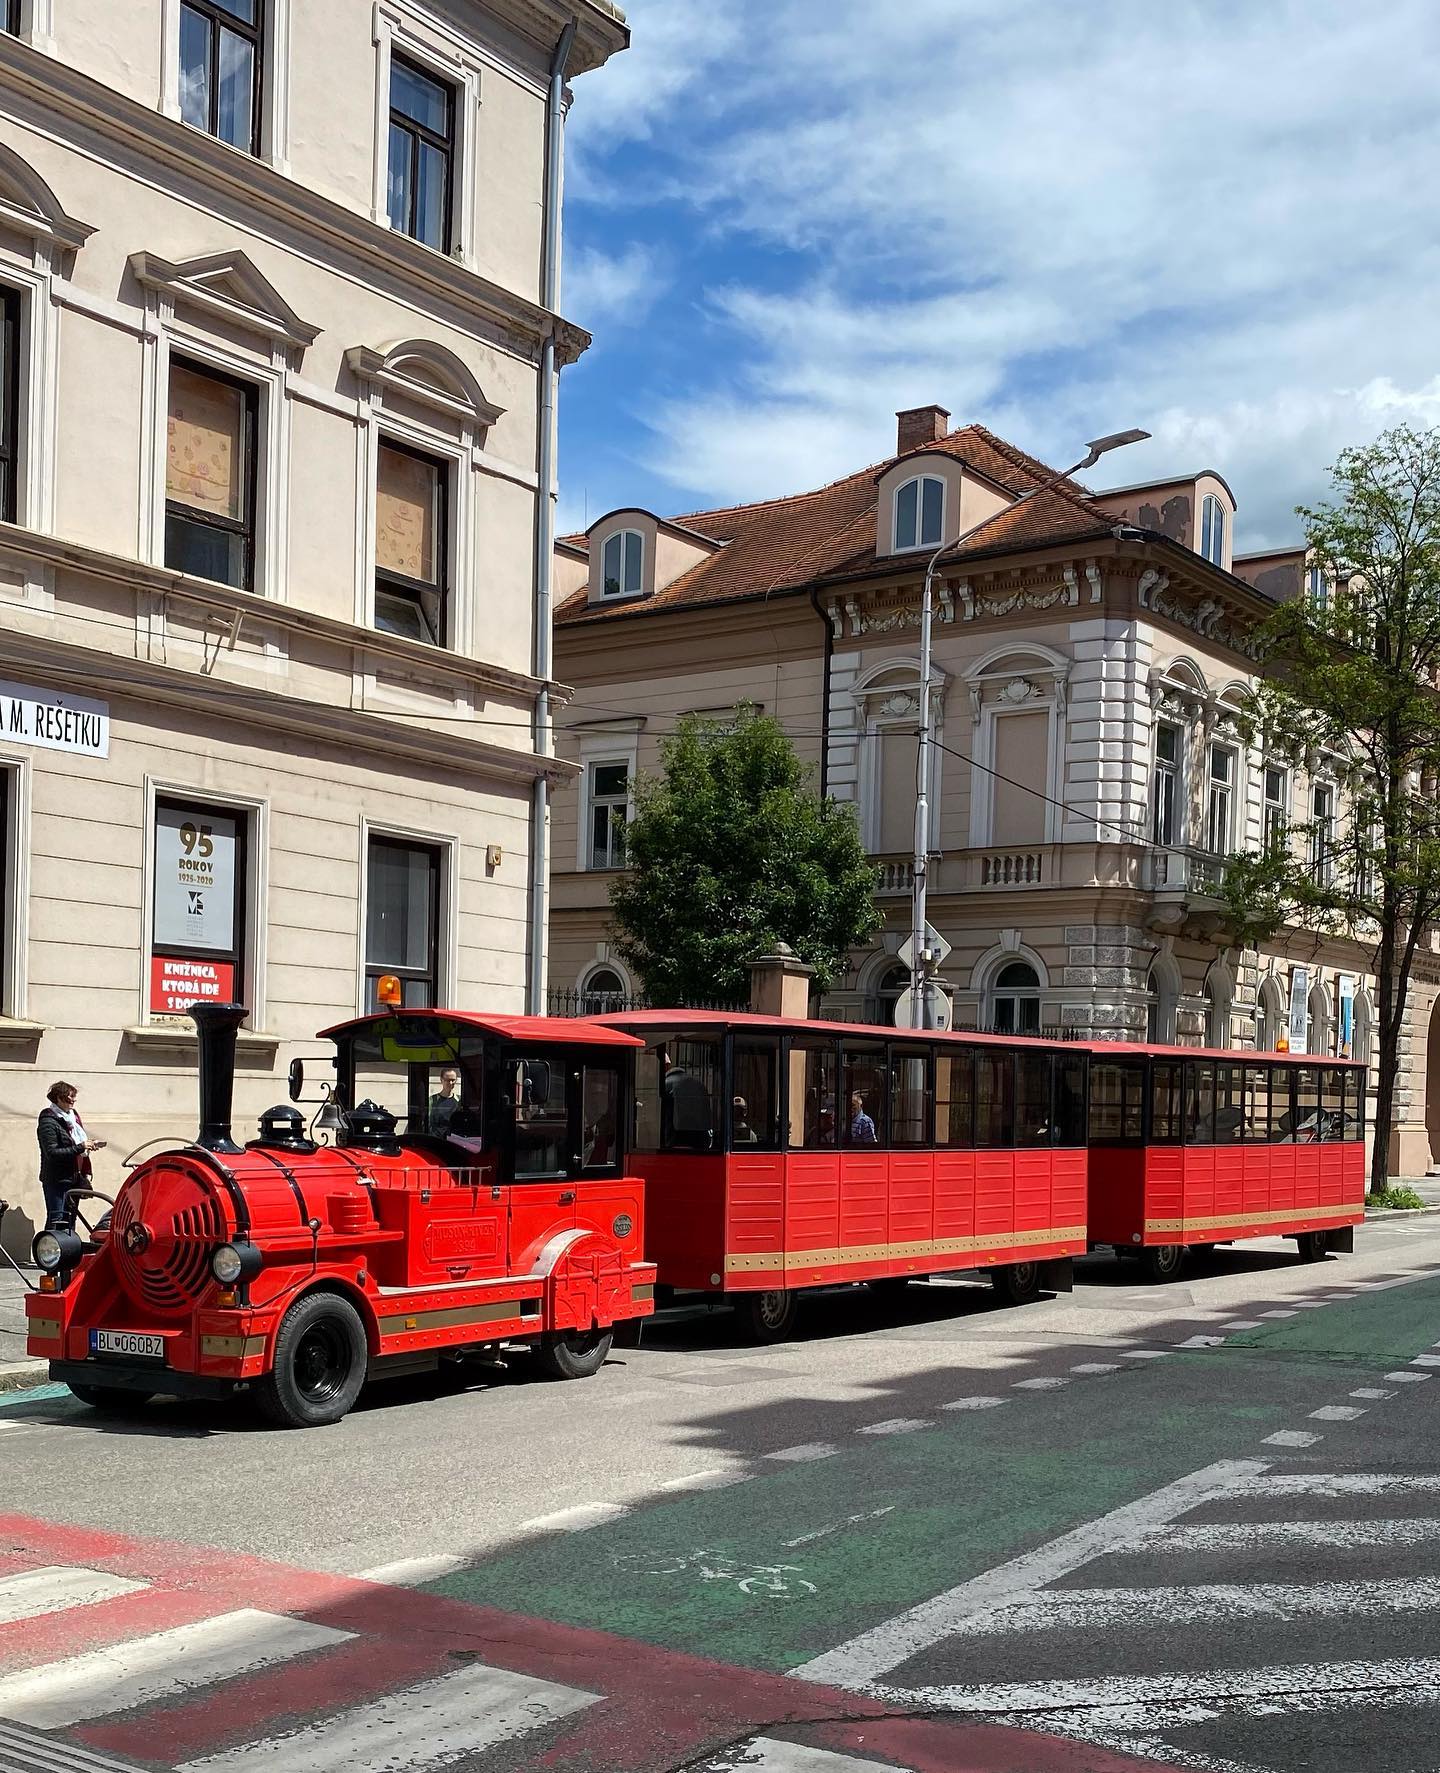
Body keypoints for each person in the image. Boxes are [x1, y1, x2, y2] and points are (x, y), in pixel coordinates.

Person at [37, 1081, 103, 1229]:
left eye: (74, 1097)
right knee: (57, 1219)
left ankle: (68, 1245)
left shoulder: (73, 1117)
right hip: (57, 1180)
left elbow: (75, 1143)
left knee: (70, 1219)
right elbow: (52, 1153)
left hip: (74, 1177)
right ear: (58, 1098)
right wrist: (81, 1147)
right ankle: (49, 1244)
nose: (73, 1100)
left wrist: (88, 1145)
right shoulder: (48, 1121)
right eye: (69, 1097)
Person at [428, 1068, 461, 1135]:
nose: (450, 1083)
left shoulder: (459, 1100)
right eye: (447, 1080)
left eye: (453, 1080)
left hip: (454, 1138)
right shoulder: (432, 1100)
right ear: (441, 1080)